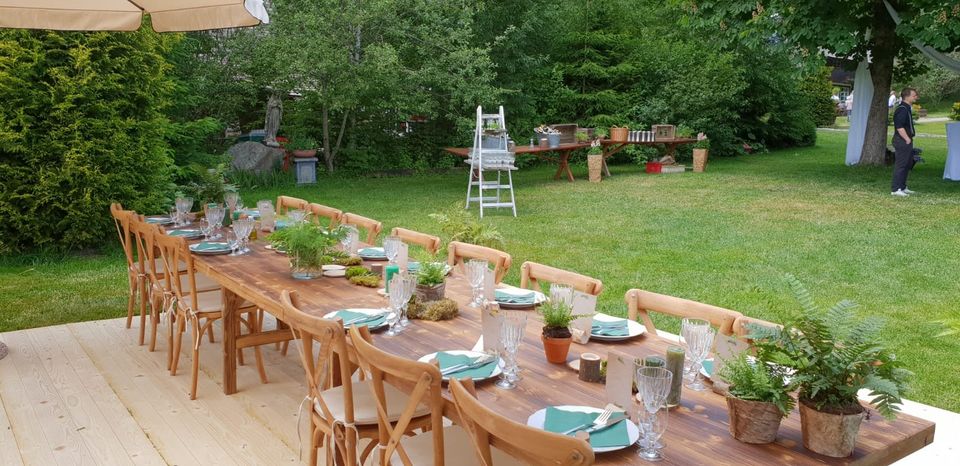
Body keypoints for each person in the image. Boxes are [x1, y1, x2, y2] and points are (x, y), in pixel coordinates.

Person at [891, 87, 919, 197]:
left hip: (906, 140)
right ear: (907, 96)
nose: (916, 97)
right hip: (902, 140)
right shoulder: (902, 109)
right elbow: (899, 126)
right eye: (914, 95)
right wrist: (907, 139)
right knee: (901, 165)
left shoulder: (907, 108)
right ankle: (895, 189)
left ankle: (902, 187)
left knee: (907, 164)